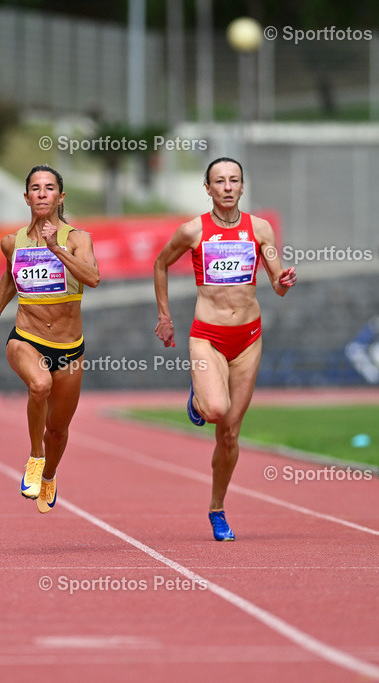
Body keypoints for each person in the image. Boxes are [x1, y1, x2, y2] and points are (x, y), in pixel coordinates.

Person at [153, 157, 297, 541]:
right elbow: (160, 264)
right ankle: (200, 399)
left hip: (248, 338)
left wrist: (284, 280)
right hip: (207, 336)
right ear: (208, 188)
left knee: (230, 434)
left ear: (243, 186)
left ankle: (217, 510)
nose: (228, 187)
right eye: (220, 181)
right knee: (216, 410)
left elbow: (277, 284)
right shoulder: (192, 231)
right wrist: (165, 317)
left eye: (234, 180)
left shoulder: (261, 229)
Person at [0, 165, 100, 514]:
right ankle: (35, 456)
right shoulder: (11, 242)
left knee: (58, 430)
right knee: (39, 385)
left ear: (60, 197)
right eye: (36, 188)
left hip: (69, 348)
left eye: (49, 188)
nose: (42, 193)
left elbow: (93, 278)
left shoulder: (78, 239)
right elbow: (9, 276)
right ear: (27, 197)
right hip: (26, 336)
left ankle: (48, 473)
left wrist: (56, 249)